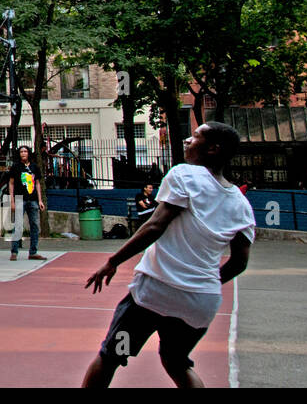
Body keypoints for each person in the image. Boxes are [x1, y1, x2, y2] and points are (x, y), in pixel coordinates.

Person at [83, 122, 255, 388]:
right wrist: (202, 283)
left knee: (111, 356)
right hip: (200, 304)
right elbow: (239, 263)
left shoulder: (185, 175)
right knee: (176, 362)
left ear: (212, 149)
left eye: (195, 136)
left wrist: (112, 261)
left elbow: (155, 225)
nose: (187, 140)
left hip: (154, 294)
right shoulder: (242, 205)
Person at [8, 145, 46, 261]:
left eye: (25, 151)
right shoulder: (15, 167)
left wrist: (40, 200)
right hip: (20, 199)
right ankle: (14, 251)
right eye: (21, 152)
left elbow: (38, 183)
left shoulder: (35, 167)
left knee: (34, 226)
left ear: (29, 153)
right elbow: (11, 183)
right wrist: (12, 201)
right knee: (18, 226)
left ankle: (33, 252)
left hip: (33, 199)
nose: (23, 153)